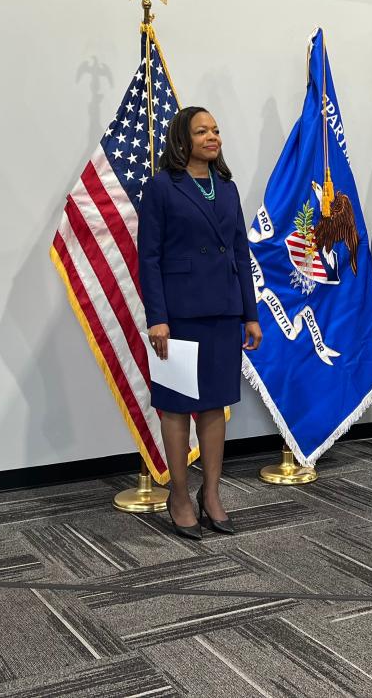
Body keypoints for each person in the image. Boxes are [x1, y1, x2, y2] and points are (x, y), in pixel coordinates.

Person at [137, 107, 263, 539]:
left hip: (223, 312)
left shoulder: (226, 188)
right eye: (202, 131)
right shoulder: (161, 188)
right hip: (179, 315)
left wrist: (250, 314)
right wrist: (158, 318)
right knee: (175, 406)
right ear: (182, 139)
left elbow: (240, 253)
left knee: (214, 405)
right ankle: (179, 495)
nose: (213, 137)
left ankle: (211, 494)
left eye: (216, 130)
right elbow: (148, 257)